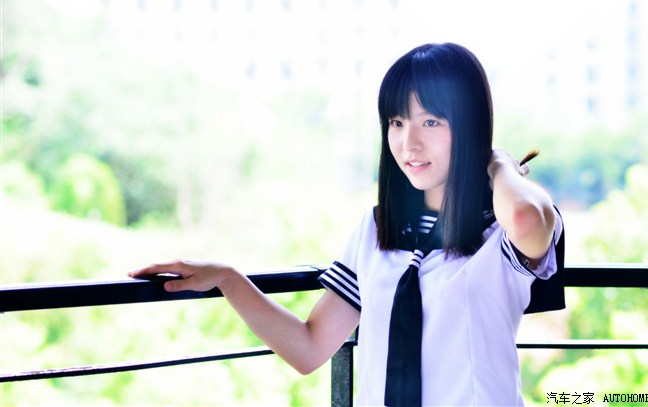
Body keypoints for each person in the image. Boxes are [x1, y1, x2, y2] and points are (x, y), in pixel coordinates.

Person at [130, 42, 565, 406]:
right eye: (397, 122)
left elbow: (525, 217)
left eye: (431, 121)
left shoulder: (500, 231)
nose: (408, 143)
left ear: (469, 126)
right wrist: (229, 279)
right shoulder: (378, 230)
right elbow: (309, 347)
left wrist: (499, 163)